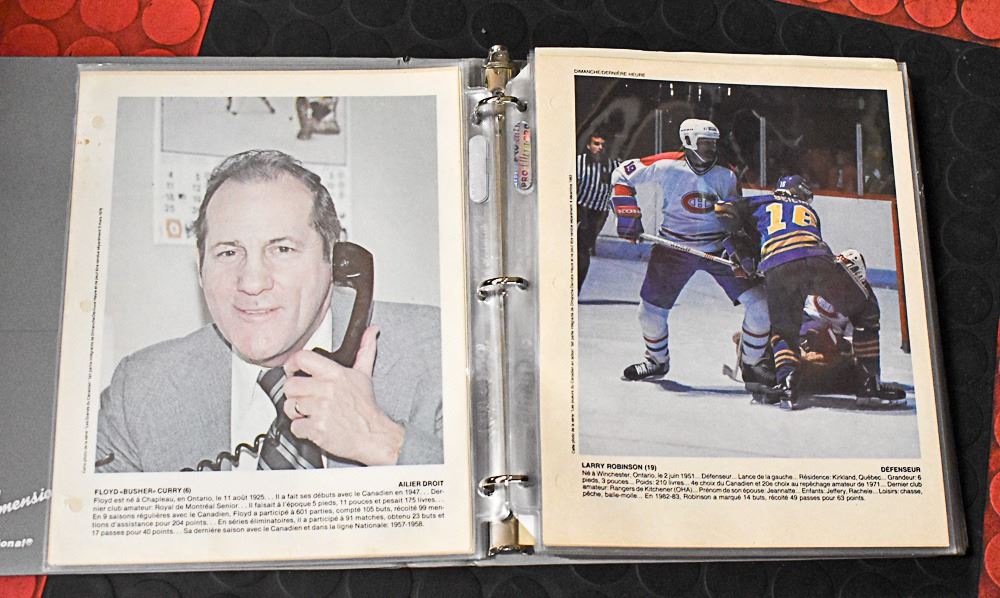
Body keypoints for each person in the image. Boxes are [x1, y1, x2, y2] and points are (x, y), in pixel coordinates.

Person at [96, 149, 442, 472]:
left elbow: (473, 496)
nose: (252, 282)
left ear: (335, 261)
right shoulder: (141, 391)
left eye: (282, 249)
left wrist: (381, 439)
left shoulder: (437, 352)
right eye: (228, 252)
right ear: (200, 268)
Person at [714, 175, 904, 409]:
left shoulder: (763, 202)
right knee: (866, 311)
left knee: (783, 331)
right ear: (796, 193)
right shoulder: (809, 212)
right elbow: (806, 249)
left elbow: (723, 210)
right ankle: (869, 385)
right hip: (819, 260)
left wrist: (740, 252)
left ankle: (787, 384)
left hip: (779, 266)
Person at [609, 118, 772, 386]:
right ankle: (656, 361)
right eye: (704, 142)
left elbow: (736, 215)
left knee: (760, 305)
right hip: (672, 248)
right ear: (687, 141)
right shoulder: (667, 164)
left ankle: (752, 365)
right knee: (649, 313)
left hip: (719, 248)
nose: (710, 148)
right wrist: (626, 212)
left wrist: (744, 249)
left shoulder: (727, 174)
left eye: (713, 143)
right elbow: (622, 174)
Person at [576, 133, 620, 290]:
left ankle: (575, 289)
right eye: (596, 144)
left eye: (603, 145)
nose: (600, 148)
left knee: (583, 249)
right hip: (578, 208)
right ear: (589, 146)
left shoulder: (614, 166)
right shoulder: (578, 162)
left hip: (597, 213)